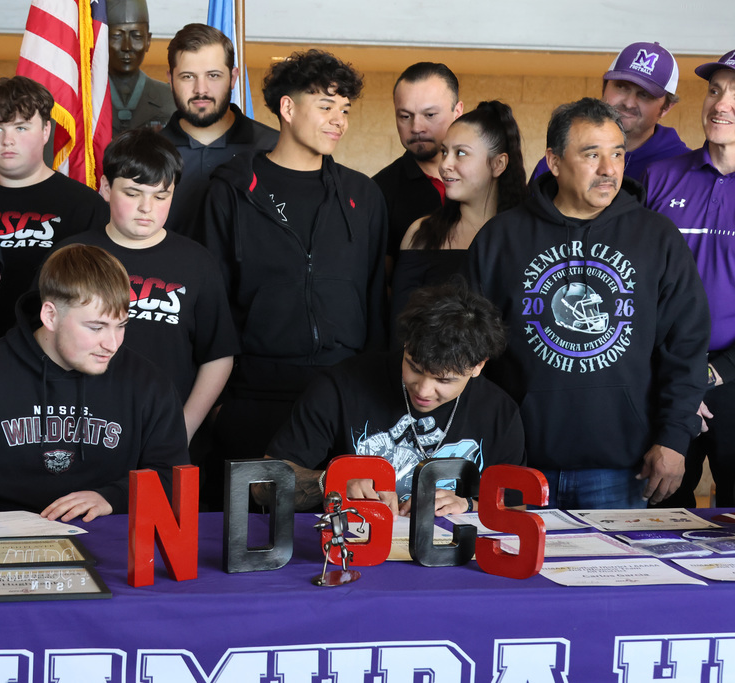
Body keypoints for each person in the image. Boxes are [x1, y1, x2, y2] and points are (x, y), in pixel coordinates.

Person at [470, 97, 709, 509]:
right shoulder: (500, 239)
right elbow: (468, 353)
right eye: (591, 154)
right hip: (517, 464)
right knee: (511, 574)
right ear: (555, 161)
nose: (609, 168)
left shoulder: (657, 238)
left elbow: (685, 348)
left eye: (617, 153)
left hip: (622, 468)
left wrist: (673, 438)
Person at [0, 244, 189, 521]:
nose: (112, 343)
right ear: (50, 316)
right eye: (96, 327)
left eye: (120, 326)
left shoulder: (148, 383)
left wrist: (112, 498)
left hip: (103, 543)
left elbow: (173, 478)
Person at [198, 49, 387, 497]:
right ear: (287, 108)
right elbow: (211, 302)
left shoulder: (364, 195)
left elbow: (377, 297)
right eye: (325, 107)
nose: (338, 120)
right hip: (254, 396)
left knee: (343, 533)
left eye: (344, 110)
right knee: (250, 541)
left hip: (344, 397)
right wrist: (218, 405)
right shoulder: (231, 191)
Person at [266, 282, 523, 516]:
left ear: (478, 366)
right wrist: (331, 482)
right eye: (414, 367)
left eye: (443, 380)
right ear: (406, 343)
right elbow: (263, 485)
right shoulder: (341, 385)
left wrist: (467, 505)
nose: (423, 390)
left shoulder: (499, 413)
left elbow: (515, 507)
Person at [57, 128, 237, 444]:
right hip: (77, 429)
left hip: (162, 429)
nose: (146, 207)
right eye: (132, 193)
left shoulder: (196, 262)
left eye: (160, 196)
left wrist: (185, 425)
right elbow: (42, 343)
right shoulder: (70, 256)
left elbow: (218, 355)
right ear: (105, 187)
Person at [643, 49, 735, 508]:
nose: (721, 104)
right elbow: (635, 287)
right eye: (715, 90)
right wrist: (677, 379)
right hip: (662, 376)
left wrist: (707, 377)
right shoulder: (659, 178)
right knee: (656, 523)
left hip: (732, 380)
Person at [0, 76, 109, 347]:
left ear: (46, 131)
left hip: (55, 354)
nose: (8, 140)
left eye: (21, 128)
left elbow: (98, 295)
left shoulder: (84, 205)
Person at [392, 100, 526, 326]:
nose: (445, 164)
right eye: (444, 152)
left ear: (498, 164)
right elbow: (400, 326)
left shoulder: (527, 237)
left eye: (461, 153)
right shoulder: (422, 234)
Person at [160, 23, 278, 236]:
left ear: (233, 78)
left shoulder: (273, 147)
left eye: (213, 75)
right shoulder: (150, 151)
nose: (201, 89)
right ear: (170, 79)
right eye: (188, 76)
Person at [530, 41, 689, 183]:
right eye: (621, 86)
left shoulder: (684, 169)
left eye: (644, 95)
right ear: (604, 87)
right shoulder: (564, 154)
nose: (628, 103)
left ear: (666, 107)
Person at [372, 62, 463, 273]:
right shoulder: (379, 191)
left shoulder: (486, 180)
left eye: (430, 115)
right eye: (405, 116)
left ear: (457, 111)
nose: (416, 128)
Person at [106, 0, 176, 137]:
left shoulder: (170, 98)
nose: (126, 47)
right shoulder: (84, 98)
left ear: (148, 41)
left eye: (136, 36)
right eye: (117, 36)